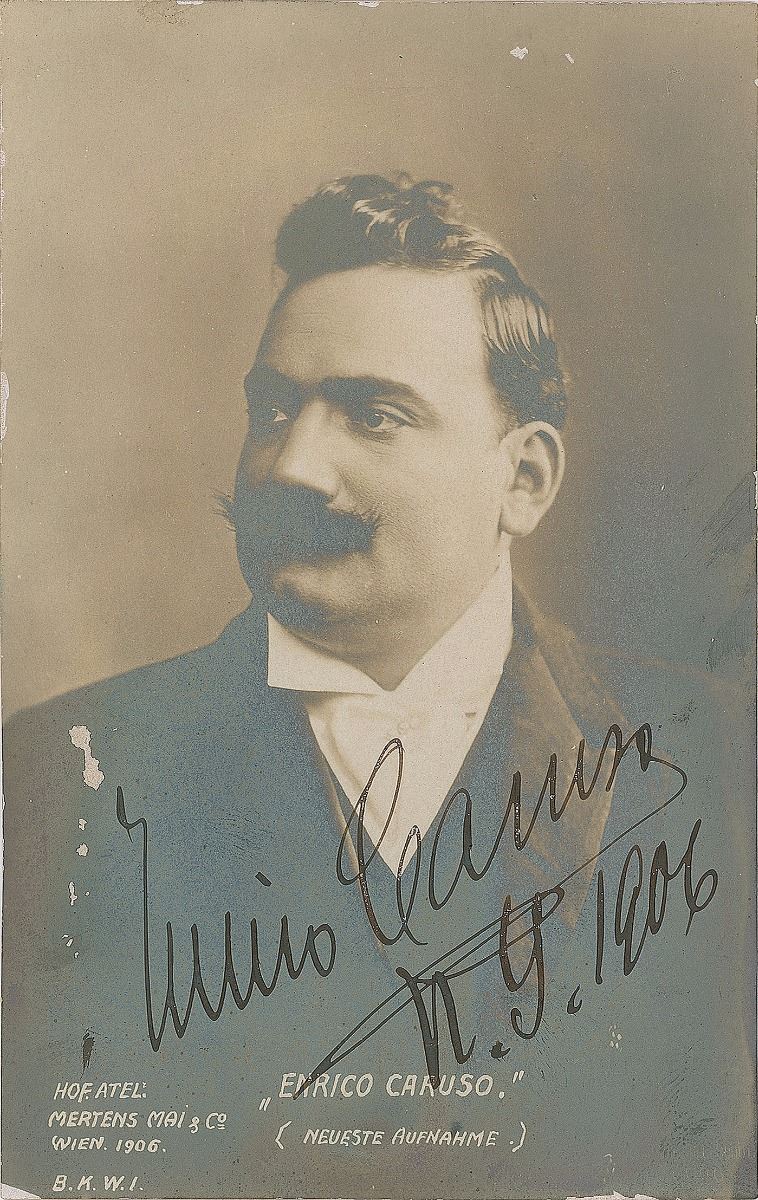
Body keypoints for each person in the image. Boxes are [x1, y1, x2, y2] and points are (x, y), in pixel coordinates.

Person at [2, 175, 755, 1200]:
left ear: (524, 480)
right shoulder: (62, 773)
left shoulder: (717, 757)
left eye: (373, 415)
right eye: (274, 409)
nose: (292, 466)